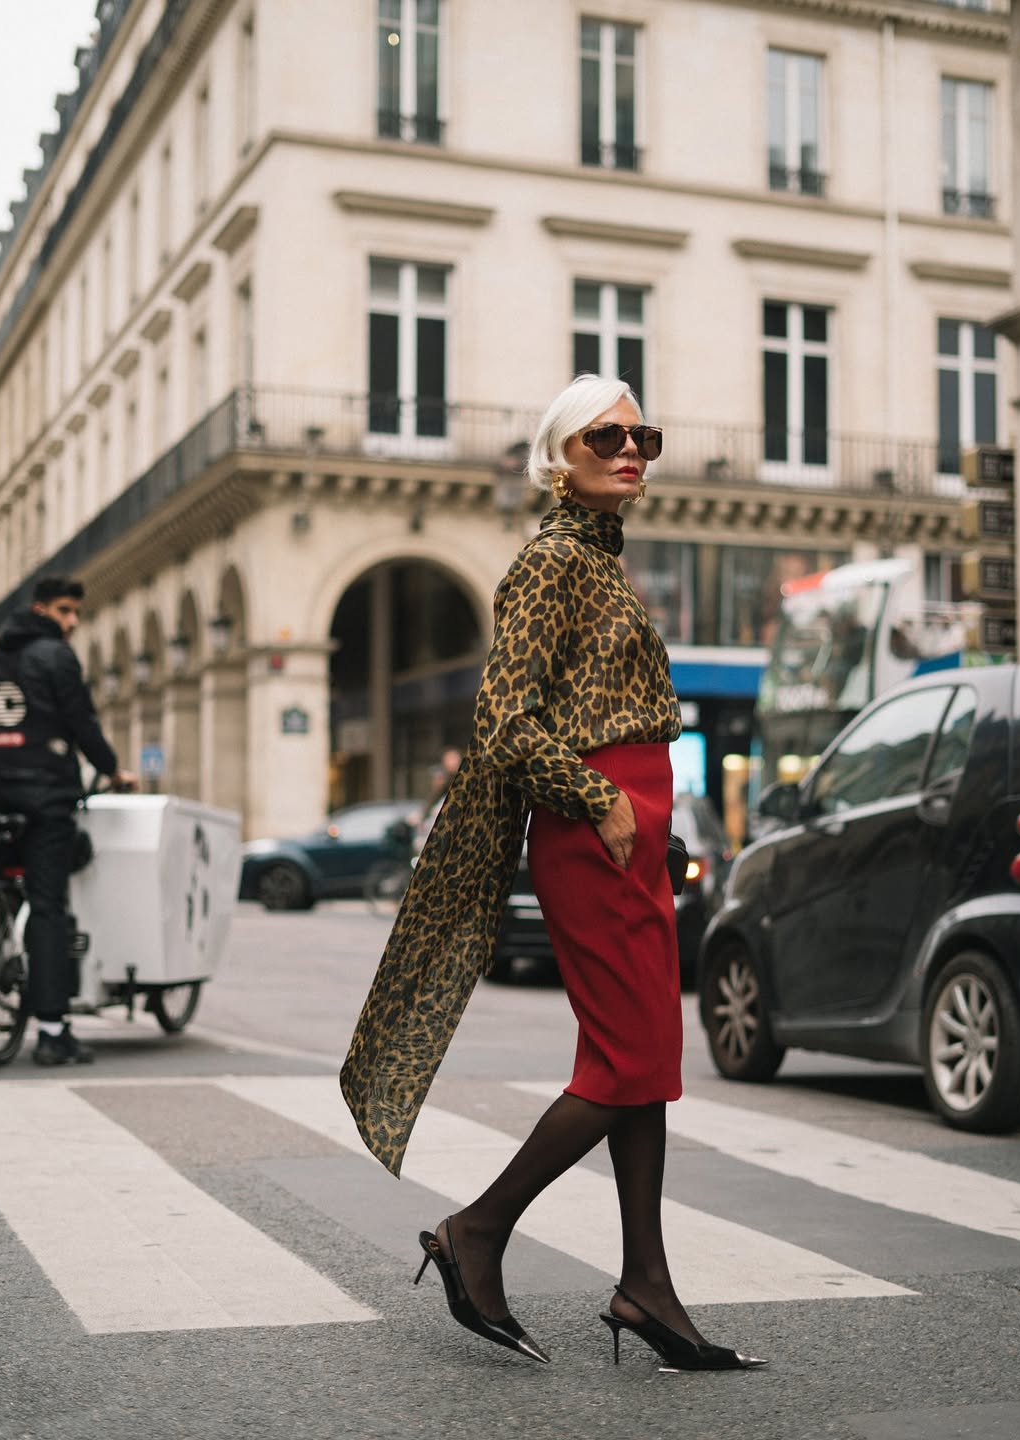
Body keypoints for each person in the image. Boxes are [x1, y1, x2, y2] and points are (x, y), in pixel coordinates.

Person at [341, 375, 766, 1373]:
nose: (631, 449)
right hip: (593, 831)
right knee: (626, 1062)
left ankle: (646, 1286)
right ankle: (478, 1231)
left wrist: (650, 817)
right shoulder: (548, 563)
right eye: (605, 435)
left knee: (646, 1063)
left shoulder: (603, 566)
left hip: (635, 828)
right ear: (556, 456)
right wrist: (605, 800)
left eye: (643, 435)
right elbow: (503, 723)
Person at [0, 576, 136, 1065]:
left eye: (75, 613)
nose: (72, 622)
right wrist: (114, 769)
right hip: (45, 797)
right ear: (41, 610)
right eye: (64, 611)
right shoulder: (55, 656)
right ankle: (53, 1033)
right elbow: (81, 724)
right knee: (48, 905)